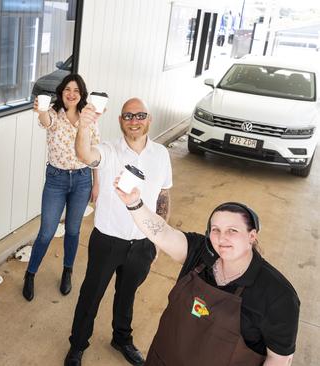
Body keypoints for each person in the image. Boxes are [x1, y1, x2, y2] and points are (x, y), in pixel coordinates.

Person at [114, 188, 300, 365]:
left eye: (232, 231)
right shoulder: (199, 252)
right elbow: (162, 233)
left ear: (252, 236)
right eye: (215, 229)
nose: (221, 238)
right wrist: (134, 203)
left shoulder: (278, 296)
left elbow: (279, 359)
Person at [65, 98, 173, 366]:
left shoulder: (160, 154)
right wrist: (83, 127)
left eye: (140, 116)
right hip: (108, 239)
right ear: (120, 121)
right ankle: (77, 345)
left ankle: (122, 339)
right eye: (128, 116)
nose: (134, 121)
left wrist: (158, 239)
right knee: (91, 295)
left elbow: (164, 195)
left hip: (143, 243)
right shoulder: (109, 151)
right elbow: (84, 154)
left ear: (149, 120)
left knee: (127, 295)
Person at [22, 74, 100, 301]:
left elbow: (95, 152)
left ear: (82, 94)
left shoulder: (90, 117)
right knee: (46, 232)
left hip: (83, 179)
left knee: (73, 231)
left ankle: (68, 270)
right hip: (56, 180)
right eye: (68, 89)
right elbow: (46, 122)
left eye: (76, 90)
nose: (72, 94)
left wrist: (97, 183)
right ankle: (30, 274)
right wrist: (41, 110)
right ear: (61, 92)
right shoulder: (54, 114)